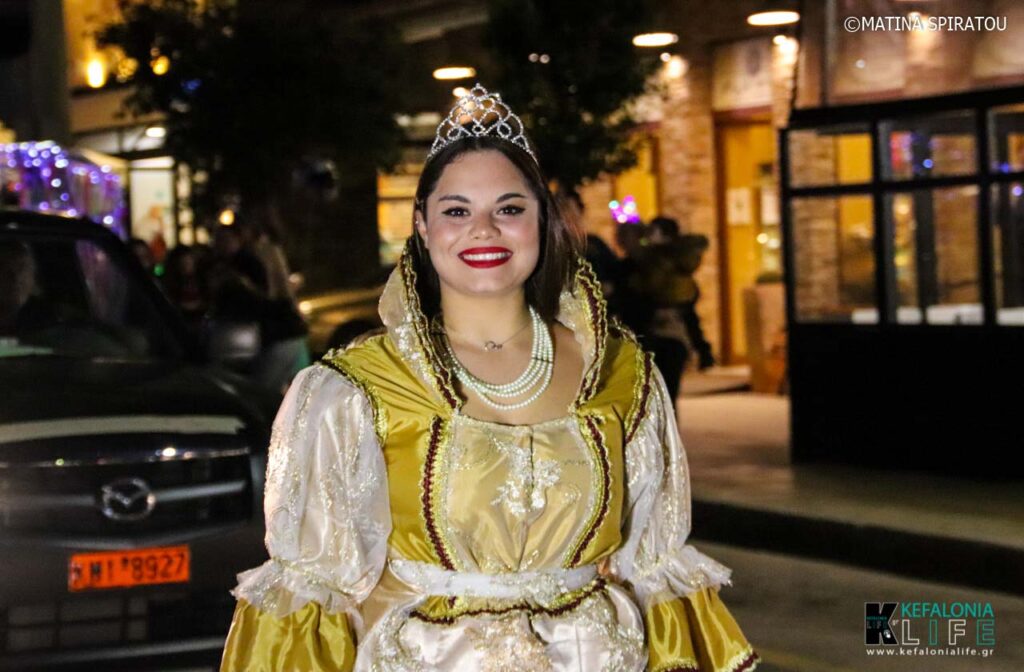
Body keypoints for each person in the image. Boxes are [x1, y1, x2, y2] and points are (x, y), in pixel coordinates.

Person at [220, 84, 759, 671]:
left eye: (509, 209)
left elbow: (653, 566)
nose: (484, 229)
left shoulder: (622, 375)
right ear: (422, 226)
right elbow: (314, 592)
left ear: (541, 221)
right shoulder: (356, 391)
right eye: (457, 211)